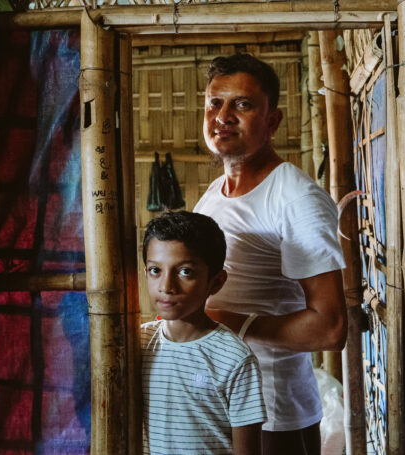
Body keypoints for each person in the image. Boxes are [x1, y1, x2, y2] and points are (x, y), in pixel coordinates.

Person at [194, 53, 347, 455]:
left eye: (242, 104)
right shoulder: (212, 196)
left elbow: (329, 329)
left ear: (272, 121)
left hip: (272, 411)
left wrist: (227, 322)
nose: (223, 116)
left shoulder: (295, 199)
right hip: (220, 401)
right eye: (214, 103)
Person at [140, 210, 267, 455]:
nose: (166, 287)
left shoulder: (235, 359)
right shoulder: (138, 343)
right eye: (156, 270)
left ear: (216, 282)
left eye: (185, 271)